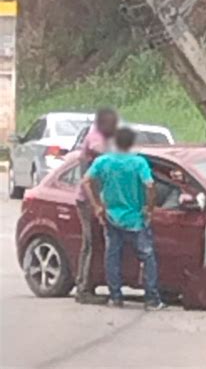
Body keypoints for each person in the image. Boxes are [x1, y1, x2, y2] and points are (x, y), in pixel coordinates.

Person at [82, 127, 163, 310]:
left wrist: (97, 206)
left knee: (112, 256)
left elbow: (86, 181)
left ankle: (115, 297)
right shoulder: (138, 163)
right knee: (147, 256)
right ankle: (152, 299)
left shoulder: (103, 161)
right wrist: (149, 209)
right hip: (136, 219)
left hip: (111, 217)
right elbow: (150, 185)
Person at [75, 107, 118, 304]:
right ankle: (83, 289)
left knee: (92, 244)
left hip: (94, 199)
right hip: (88, 201)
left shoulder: (101, 137)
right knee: (90, 244)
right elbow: (100, 153)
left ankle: (87, 285)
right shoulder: (96, 138)